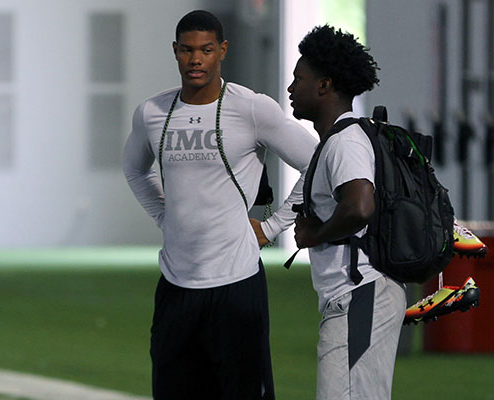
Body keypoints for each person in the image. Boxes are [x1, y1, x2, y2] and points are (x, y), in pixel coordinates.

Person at [122, 10, 318, 399]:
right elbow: (134, 171)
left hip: (236, 286)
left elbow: (317, 161)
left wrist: (273, 226)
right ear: (175, 52)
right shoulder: (152, 113)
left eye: (206, 50)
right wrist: (165, 217)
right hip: (176, 287)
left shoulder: (250, 108)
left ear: (222, 51)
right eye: (188, 50)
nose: (196, 60)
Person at [288, 25, 404, 399]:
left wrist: (313, 236)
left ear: (324, 86)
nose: (291, 88)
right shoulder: (340, 140)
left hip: (360, 293)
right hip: (355, 296)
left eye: (298, 78)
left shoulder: (345, 142)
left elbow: (359, 206)